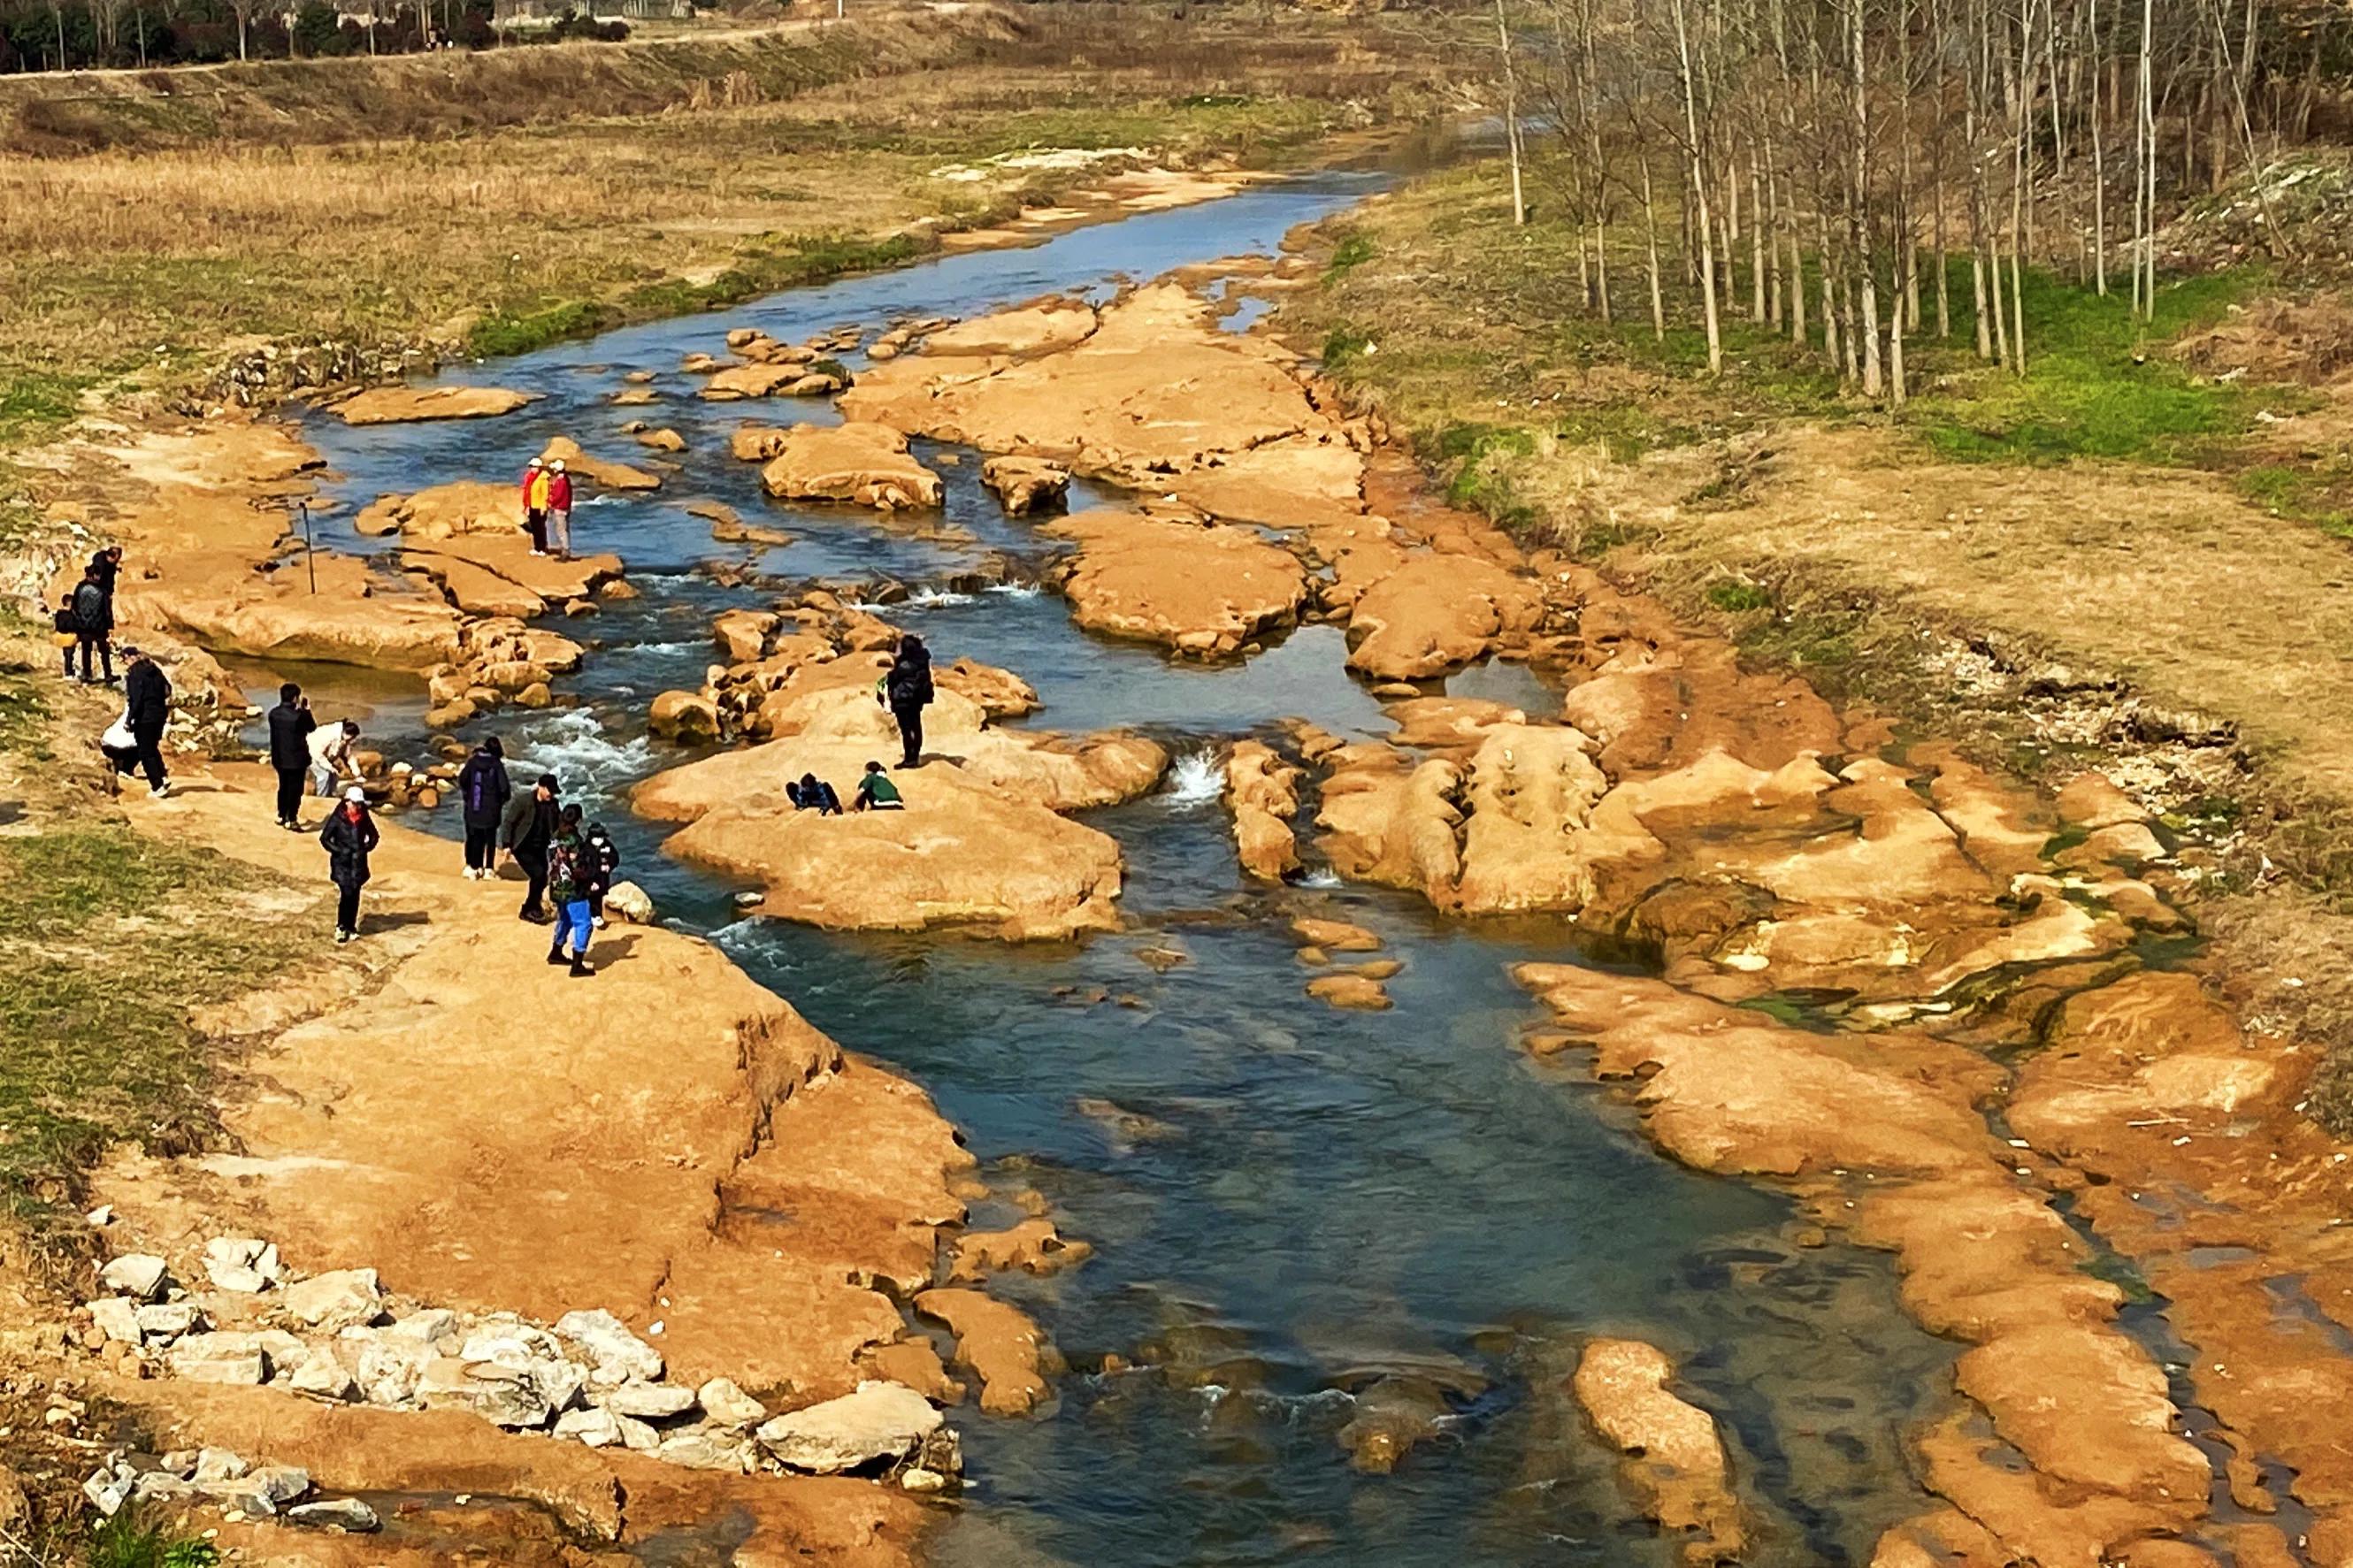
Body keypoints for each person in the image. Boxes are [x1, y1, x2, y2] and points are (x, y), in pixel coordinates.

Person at [319, 786, 379, 945]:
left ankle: (351, 927)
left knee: (355, 895)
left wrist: (365, 849)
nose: (357, 807)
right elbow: (325, 838)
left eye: (359, 804)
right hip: (342, 864)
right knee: (346, 894)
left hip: (358, 864)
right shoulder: (338, 817)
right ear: (347, 802)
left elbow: (374, 836)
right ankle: (341, 927)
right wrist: (339, 851)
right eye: (355, 803)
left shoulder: (364, 816)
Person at [544, 805, 596, 976]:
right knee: (584, 923)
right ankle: (577, 964)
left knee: (565, 919)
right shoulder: (576, 841)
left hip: (556, 886)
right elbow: (577, 868)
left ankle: (556, 952)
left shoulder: (554, 837)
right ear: (578, 820)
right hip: (573, 889)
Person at [501, 772, 560, 922]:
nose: (551, 795)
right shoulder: (523, 801)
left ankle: (532, 907)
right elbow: (509, 822)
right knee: (538, 875)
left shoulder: (553, 804)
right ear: (541, 787)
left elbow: (557, 825)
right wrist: (507, 844)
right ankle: (529, 909)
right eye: (550, 791)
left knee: (542, 878)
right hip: (522, 846)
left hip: (540, 847)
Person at [456, 737, 512, 880]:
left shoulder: (472, 762)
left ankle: (473, 867)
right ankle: (489, 868)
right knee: (490, 840)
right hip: (491, 810)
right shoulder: (497, 765)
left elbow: (462, 780)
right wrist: (500, 802)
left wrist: (468, 796)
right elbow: (505, 789)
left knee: (473, 838)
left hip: (473, 808)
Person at [120, 645, 170, 797]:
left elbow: (136, 700)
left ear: (129, 658)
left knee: (145, 751)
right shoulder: (154, 669)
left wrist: (129, 719)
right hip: (160, 713)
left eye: (124, 660)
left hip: (145, 716)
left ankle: (157, 786)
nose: (125, 664)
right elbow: (168, 689)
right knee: (152, 747)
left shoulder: (134, 674)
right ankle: (162, 776)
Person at [266, 683, 317, 830]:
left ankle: (281, 815)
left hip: (279, 757)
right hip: (296, 759)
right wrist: (306, 711)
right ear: (295, 698)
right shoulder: (299, 716)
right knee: (295, 790)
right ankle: (291, 819)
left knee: (283, 786)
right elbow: (311, 728)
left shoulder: (273, 713)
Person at [880, 633, 933, 770]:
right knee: (916, 726)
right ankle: (915, 757)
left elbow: (893, 678)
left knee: (906, 730)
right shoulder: (922, 661)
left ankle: (909, 759)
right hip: (917, 698)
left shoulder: (905, 663)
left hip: (903, 698)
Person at [70, 565, 113, 685]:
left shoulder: (79, 588)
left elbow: (74, 607)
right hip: (99, 626)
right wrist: (110, 626)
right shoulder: (102, 590)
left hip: (84, 626)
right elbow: (107, 610)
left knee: (86, 651)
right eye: (98, 575)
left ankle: (87, 675)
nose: (99, 577)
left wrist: (79, 622)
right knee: (104, 651)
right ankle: (108, 674)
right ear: (93, 575)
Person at [309, 717, 361, 799]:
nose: (352, 740)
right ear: (349, 734)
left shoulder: (345, 739)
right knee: (324, 775)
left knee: (334, 774)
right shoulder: (330, 735)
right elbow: (316, 753)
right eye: (353, 738)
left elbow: (349, 756)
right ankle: (322, 798)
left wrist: (357, 773)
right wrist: (330, 767)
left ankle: (331, 795)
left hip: (323, 756)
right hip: (309, 752)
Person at [582, 820, 620, 927]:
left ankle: (597, 915)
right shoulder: (585, 848)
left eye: (601, 837)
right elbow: (582, 866)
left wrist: (609, 866)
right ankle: (590, 916)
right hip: (588, 879)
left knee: (598, 897)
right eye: (597, 837)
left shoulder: (607, 845)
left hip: (602, 878)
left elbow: (615, 858)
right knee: (589, 897)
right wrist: (590, 882)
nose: (600, 840)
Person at [519, 456, 549, 557]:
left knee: (541, 528)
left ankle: (542, 548)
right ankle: (537, 547)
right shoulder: (529, 477)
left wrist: (543, 507)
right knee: (535, 528)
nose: (532, 468)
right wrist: (527, 506)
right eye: (531, 466)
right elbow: (527, 492)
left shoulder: (543, 479)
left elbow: (545, 494)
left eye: (534, 467)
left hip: (539, 507)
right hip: (531, 505)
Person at [545, 460, 574, 561]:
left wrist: (550, 502)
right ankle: (564, 549)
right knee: (563, 529)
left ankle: (565, 551)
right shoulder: (566, 479)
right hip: (564, 507)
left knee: (561, 530)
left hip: (560, 508)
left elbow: (558, 496)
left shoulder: (561, 481)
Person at [51, 597, 79, 678]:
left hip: (60, 636)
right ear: (69, 603)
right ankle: (68, 672)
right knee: (69, 655)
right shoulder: (69, 615)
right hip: (68, 637)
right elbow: (69, 626)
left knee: (68, 655)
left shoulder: (59, 614)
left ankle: (69, 671)